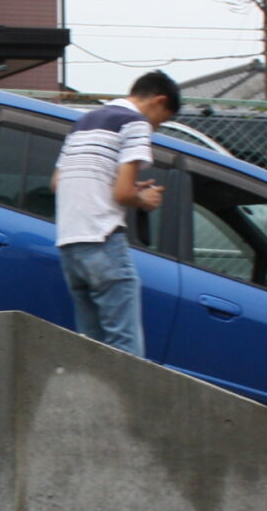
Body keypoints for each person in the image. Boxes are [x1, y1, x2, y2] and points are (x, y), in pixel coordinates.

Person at [52, 70, 180, 358]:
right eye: (161, 121)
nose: (155, 129)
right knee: (125, 350)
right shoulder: (135, 123)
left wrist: (126, 188)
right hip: (103, 240)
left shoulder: (83, 123)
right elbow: (122, 195)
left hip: (70, 244)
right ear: (159, 101)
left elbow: (58, 183)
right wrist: (143, 198)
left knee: (91, 348)